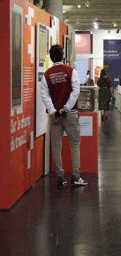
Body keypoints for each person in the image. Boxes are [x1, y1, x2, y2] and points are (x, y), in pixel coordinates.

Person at [41, 44, 88, 187]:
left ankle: (60, 178)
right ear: (63, 56)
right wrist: (66, 108)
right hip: (71, 114)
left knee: (56, 146)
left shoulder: (46, 75)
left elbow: (44, 95)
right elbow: (76, 91)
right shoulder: (71, 71)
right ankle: (76, 175)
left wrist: (54, 110)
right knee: (74, 145)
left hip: (55, 117)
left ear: (50, 56)